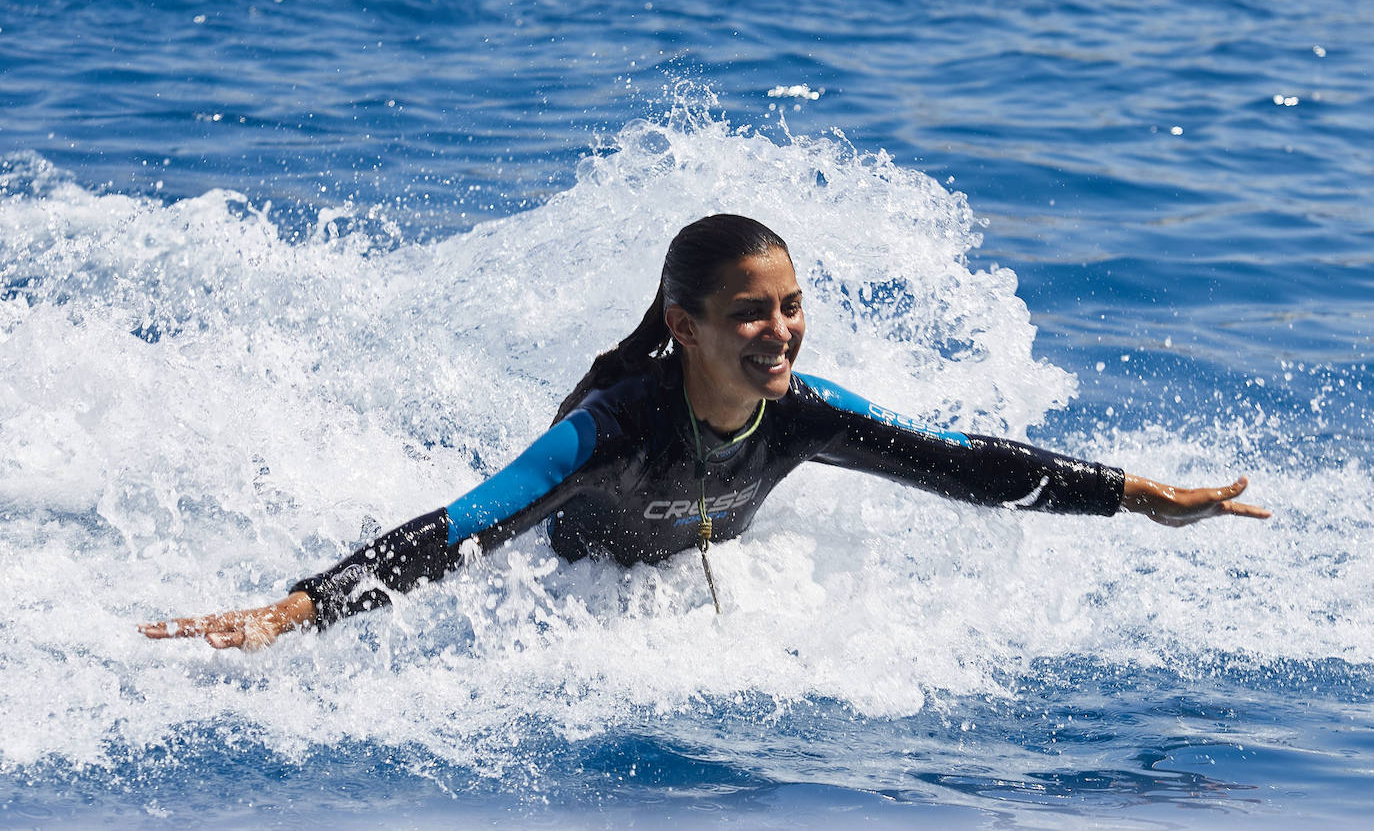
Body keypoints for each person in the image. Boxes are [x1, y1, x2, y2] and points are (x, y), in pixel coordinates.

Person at [140, 214, 1270, 650]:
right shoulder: (610, 431)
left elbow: (968, 464)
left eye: (788, 307)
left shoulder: (801, 413)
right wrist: (295, 609)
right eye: (749, 314)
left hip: (688, 566)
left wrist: (1135, 492)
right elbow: (463, 528)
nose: (779, 332)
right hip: (579, 578)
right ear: (684, 326)